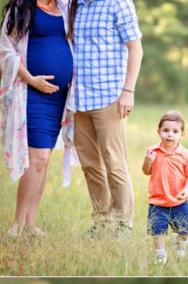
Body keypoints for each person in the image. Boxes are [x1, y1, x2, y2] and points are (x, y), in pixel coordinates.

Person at [0, 0, 75, 237]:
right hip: (31, 93)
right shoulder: (21, 8)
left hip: (60, 97)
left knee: (44, 159)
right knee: (37, 157)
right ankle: (17, 224)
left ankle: (30, 223)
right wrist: (32, 79)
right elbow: (6, 50)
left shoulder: (65, 8)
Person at [69, 0, 143, 237]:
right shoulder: (75, 5)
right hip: (80, 99)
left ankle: (123, 225)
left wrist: (128, 91)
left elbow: (135, 48)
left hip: (110, 97)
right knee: (90, 166)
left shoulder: (118, 3)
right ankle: (102, 222)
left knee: (114, 163)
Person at [142, 111, 188, 266]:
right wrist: (147, 161)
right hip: (158, 202)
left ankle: (180, 247)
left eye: (175, 131)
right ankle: (160, 256)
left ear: (182, 134)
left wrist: (186, 189)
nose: (170, 135)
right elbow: (146, 171)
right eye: (165, 131)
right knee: (158, 231)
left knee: (185, 230)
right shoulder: (152, 151)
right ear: (158, 131)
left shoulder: (185, 154)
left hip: (179, 201)